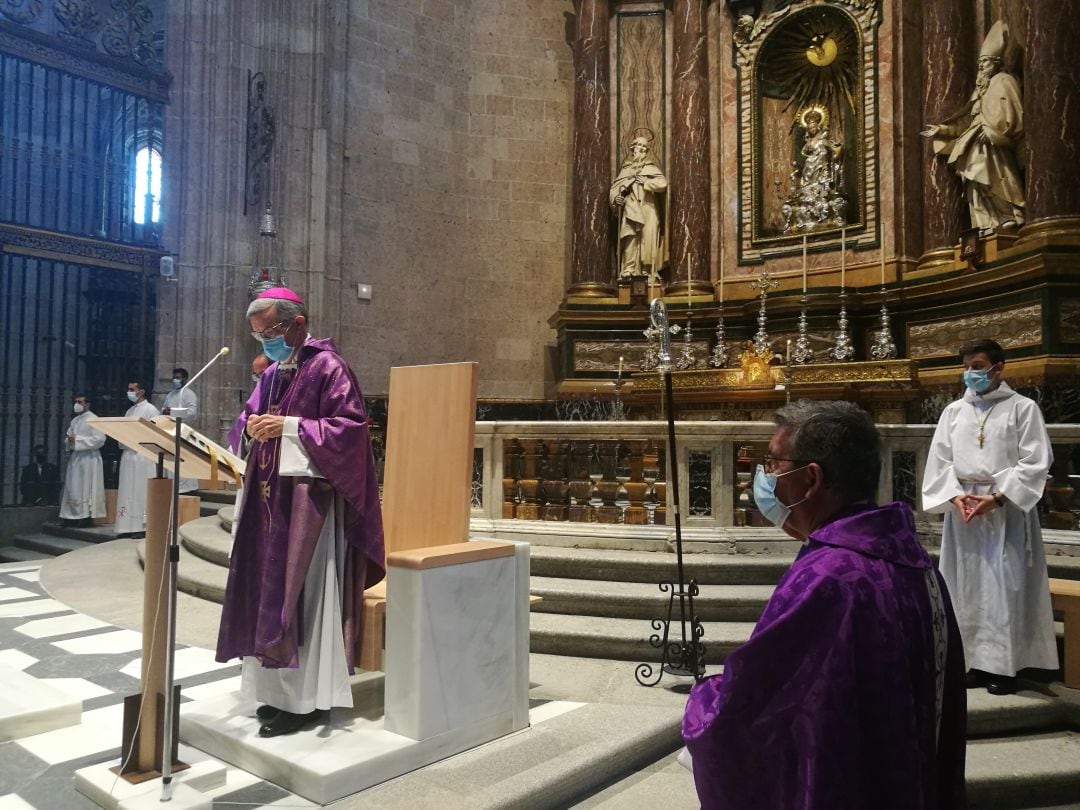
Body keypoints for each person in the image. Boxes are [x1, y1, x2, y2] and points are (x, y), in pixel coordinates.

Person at [683, 400, 966, 809]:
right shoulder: (919, 568)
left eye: (774, 464)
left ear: (811, 478)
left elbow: (744, 714)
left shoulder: (828, 579)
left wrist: (701, 700)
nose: (764, 480)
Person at [216, 287, 385, 738]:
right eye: (257, 335)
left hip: (308, 508)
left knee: (302, 597)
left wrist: (289, 426)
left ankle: (307, 700)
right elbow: (247, 423)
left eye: (269, 331)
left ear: (297, 322)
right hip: (268, 504)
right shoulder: (272, 375)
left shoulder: (329, 368)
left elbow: (350, 431)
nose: (265, 341)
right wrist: (248, 427)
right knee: (265, 594)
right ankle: (275, 695)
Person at [922, 338, 1057, 696]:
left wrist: (997, 498)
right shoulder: (954, 412)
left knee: (1004, 585)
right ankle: (971, 662)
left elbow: (1035, 461)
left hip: (1005, 511)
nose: (971, 373)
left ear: (999, 368)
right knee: (964, 584)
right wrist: (954, 495)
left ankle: (1005, 666)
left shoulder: (1023, 408)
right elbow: (940, 460)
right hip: (964, 509)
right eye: (966, 366)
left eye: (978, 366)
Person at [921, 21, 1024, 232]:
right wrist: (942, 131)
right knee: (975, 183)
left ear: (996, 63)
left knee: (997, 182)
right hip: (974, 144)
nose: (981, 68)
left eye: (985, 63)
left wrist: (994, 132)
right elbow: (968, 123)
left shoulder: (1004, 81)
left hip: (994, 146)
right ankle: (986, 222)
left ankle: (1005, 215)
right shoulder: (979, 94)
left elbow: (1016, 115)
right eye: (980, 64)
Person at [609, 134, 667, 279]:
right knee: (630, 236)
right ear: (632, 148)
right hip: (631, 208)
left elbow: (663, 184)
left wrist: (645, 182)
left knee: (648, 237)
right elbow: (615, 189)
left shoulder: (651, 168)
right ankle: (629, 269)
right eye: (639, 145)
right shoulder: (626, 169)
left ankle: (648, 270)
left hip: (648, 209)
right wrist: (616, 199)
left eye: (644, 147)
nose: (641, 149)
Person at [115, 380, 160, 537]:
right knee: (128, 491)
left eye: (132, 389)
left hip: (143, 456)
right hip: (128, 454)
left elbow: (155, 434)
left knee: (141, 490)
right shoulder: (130, 411)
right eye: (129, 389)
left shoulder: (151, 410)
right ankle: (126, 527)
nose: (129, 392)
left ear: (141, 391)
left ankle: (142, 527)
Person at [58, 396, 106, 524]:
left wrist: (77, 440)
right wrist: (70, 440)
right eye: (75, 402)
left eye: (80, 402)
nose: (76, 404)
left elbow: (100, 439)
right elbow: (68, 436)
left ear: (87, 404)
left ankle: (85, 517)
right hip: (77, 457)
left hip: (89, 457)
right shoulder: (75, 420)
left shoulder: (94, 420)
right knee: (73, 487)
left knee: (86, 486)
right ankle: (70, 515)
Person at [161, 367, 199, 493]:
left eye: (178, 378)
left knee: (182, 461)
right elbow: (164, 409)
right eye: (174, 377)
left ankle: (186, 489)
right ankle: (172, 487)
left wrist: (172, 411)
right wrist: (166, 411)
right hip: (170, 432)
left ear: (185, 379)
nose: (175, 380)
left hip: (183, 433)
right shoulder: (171, 394)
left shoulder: (189, 394)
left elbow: (192, 413)